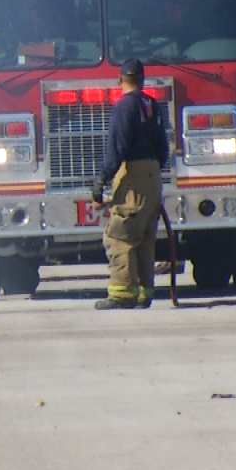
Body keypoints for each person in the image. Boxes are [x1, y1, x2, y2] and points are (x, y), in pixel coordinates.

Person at [91, 59, 169, 309]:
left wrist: (101, 180)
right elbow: (162, 146)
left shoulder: (123, 107)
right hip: (153, 174)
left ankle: (122, 293)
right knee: (145, 236)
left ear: (120, 79)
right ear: (143, 79)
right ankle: (145, 292)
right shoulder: (152, 105)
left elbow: (118, 148)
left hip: (132, 174)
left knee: (120, 235)